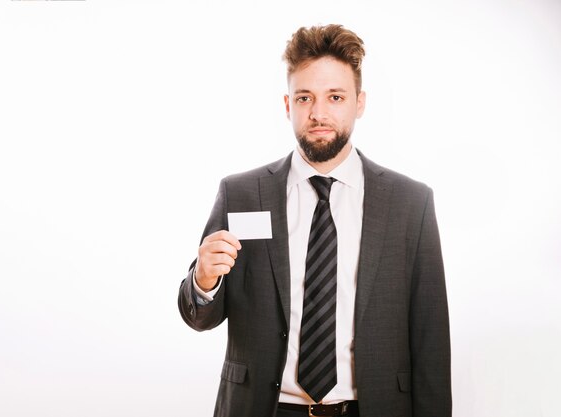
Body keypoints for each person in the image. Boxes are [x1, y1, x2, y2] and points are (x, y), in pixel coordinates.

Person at [178, 24, 451, 417]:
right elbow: (199, 316)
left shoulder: (410, 203)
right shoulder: (240, 193)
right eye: (305, 97)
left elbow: (431, 339)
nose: (318, 113)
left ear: (359, 102)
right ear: (288, 105)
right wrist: (203, 281)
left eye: (335, 97)